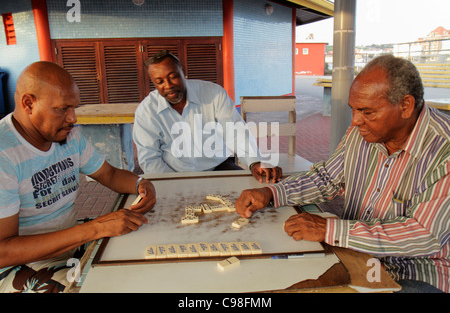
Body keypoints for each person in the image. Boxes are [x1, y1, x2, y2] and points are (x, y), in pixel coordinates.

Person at [235, 55, 449, 293]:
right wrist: (271, 193)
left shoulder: (443, 150)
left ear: (405, 106)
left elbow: (423, 234)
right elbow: (325, 178)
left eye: (367, 112)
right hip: (354, 253)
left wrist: (329, 230)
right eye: (354, 110)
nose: (355, 121)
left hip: (416, 272)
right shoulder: (361, 133)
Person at [0, 61, 156, 293]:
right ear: (28, 103)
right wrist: (95, 228)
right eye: (62, 109)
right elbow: (4, 251)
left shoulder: (68, 137)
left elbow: (109, 174)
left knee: (143, 260)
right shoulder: (4, 154)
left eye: (74, 108)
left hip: (71, 243)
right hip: (20, 266)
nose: (73, 118)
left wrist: (141, 184)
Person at [133, 50, 282, 183]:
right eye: (159, 82)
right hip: (173, 173)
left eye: (173, 77)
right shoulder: (146, 111)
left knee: (250, 192)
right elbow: (150, 158)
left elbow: (235, 132)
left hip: (218, 167)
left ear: (183, 71)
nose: (168, 85)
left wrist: (254, 162)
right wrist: (173, 182)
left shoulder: (213, 93)